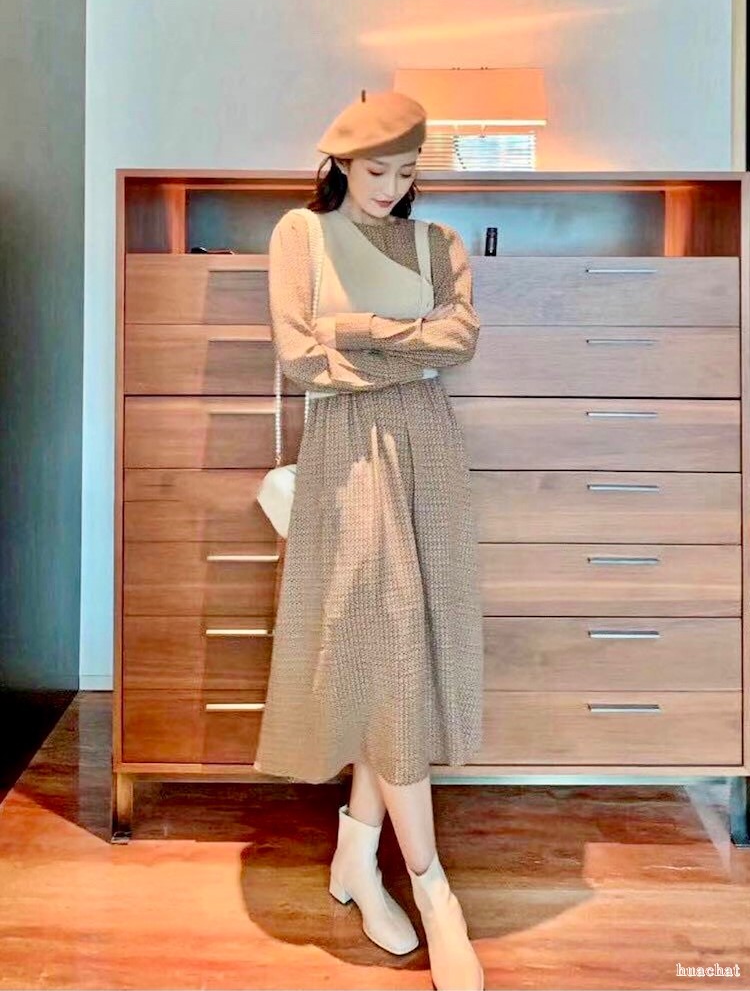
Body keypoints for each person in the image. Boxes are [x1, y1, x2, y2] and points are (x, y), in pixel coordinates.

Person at [253, 89, 485, 991]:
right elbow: (299, 356)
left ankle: (355, 855)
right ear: (342, 164)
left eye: (406, 171)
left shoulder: (438, 244)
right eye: (375, 170)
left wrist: (353, 330)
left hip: (430, 450)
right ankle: (433, 889)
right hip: (347, 454)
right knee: (383, 648)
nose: (391, 187)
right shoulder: (301, 236)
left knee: (399, 656)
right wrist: (402, 344)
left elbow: (458, 343)